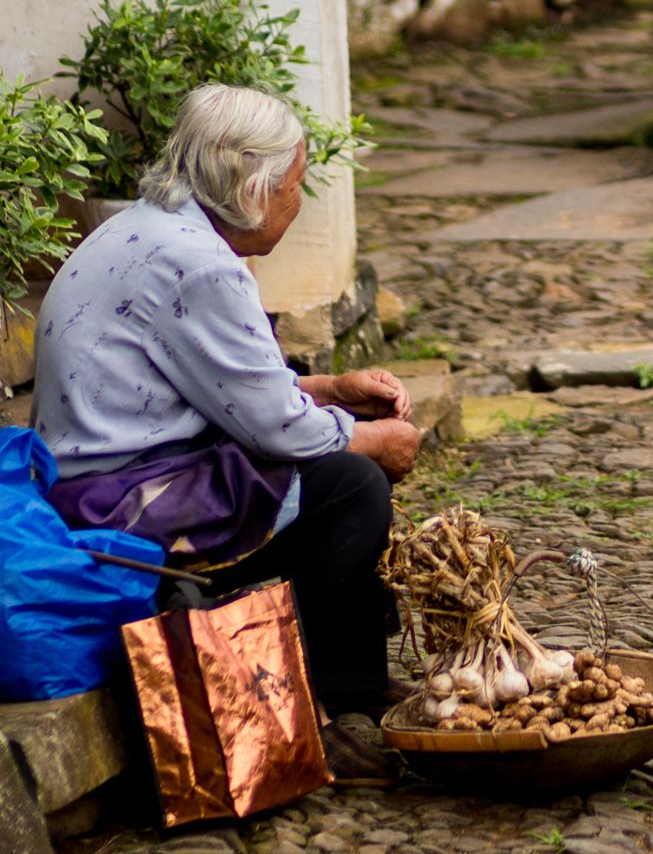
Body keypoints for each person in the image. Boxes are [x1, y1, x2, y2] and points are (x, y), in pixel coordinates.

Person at [31, 84, 422, 783]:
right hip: (123, 505)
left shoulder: (151, 227)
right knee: (350, 483)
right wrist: (370, 440)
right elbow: (275, 427)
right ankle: (295, 704)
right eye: (295, 185)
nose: (298, 204)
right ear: (252, 189)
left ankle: (353, 683)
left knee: (337, 454)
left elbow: (225, 386)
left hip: (104, 478)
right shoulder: (201, 264)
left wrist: (332, 392)